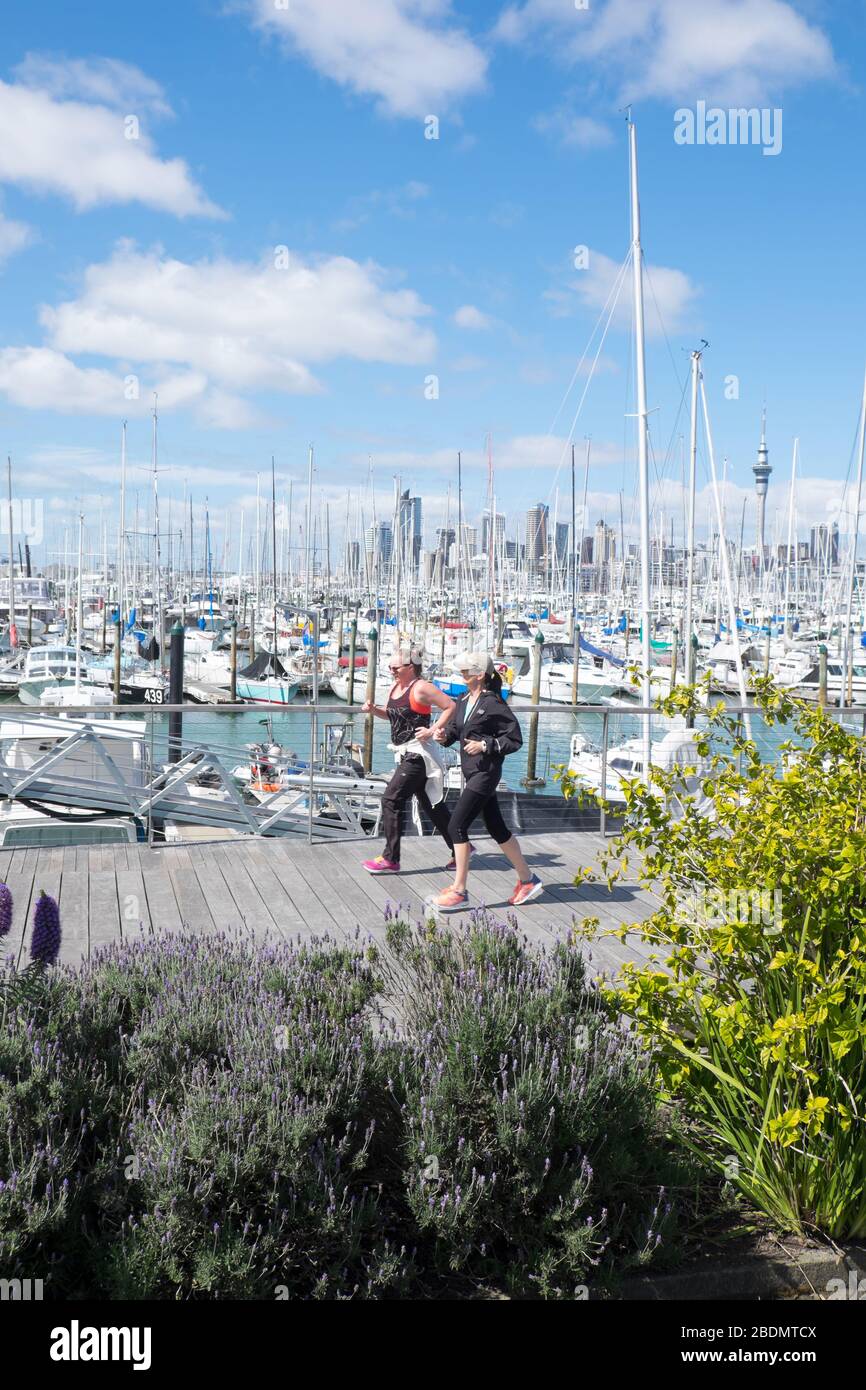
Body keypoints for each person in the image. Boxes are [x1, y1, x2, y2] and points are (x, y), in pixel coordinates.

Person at [430, 651, 543, 912]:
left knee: (457, 825)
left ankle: (459, 891)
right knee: (496, 828)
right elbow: (458, 731)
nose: (462, 674)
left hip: (486, 773)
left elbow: (514, 739)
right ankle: (527, 880)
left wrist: (485, 745)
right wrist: (444, 736)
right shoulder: (463, 699)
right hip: (473, 772)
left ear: (479, 675)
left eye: (466, 671)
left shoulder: (493, 703)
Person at [361, 645, 457, 874]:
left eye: (396, 667)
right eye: (390, 667)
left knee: (391, 799)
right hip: (404, 751)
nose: (392, 671)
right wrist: (374, 710)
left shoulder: (422, 687)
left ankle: (390, 859)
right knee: (431, 805)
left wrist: (432, 729)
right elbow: (392, 715)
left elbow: (450, 706)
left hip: (419, 754)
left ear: (410, 667)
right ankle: (462, 848)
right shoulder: (396, 686)